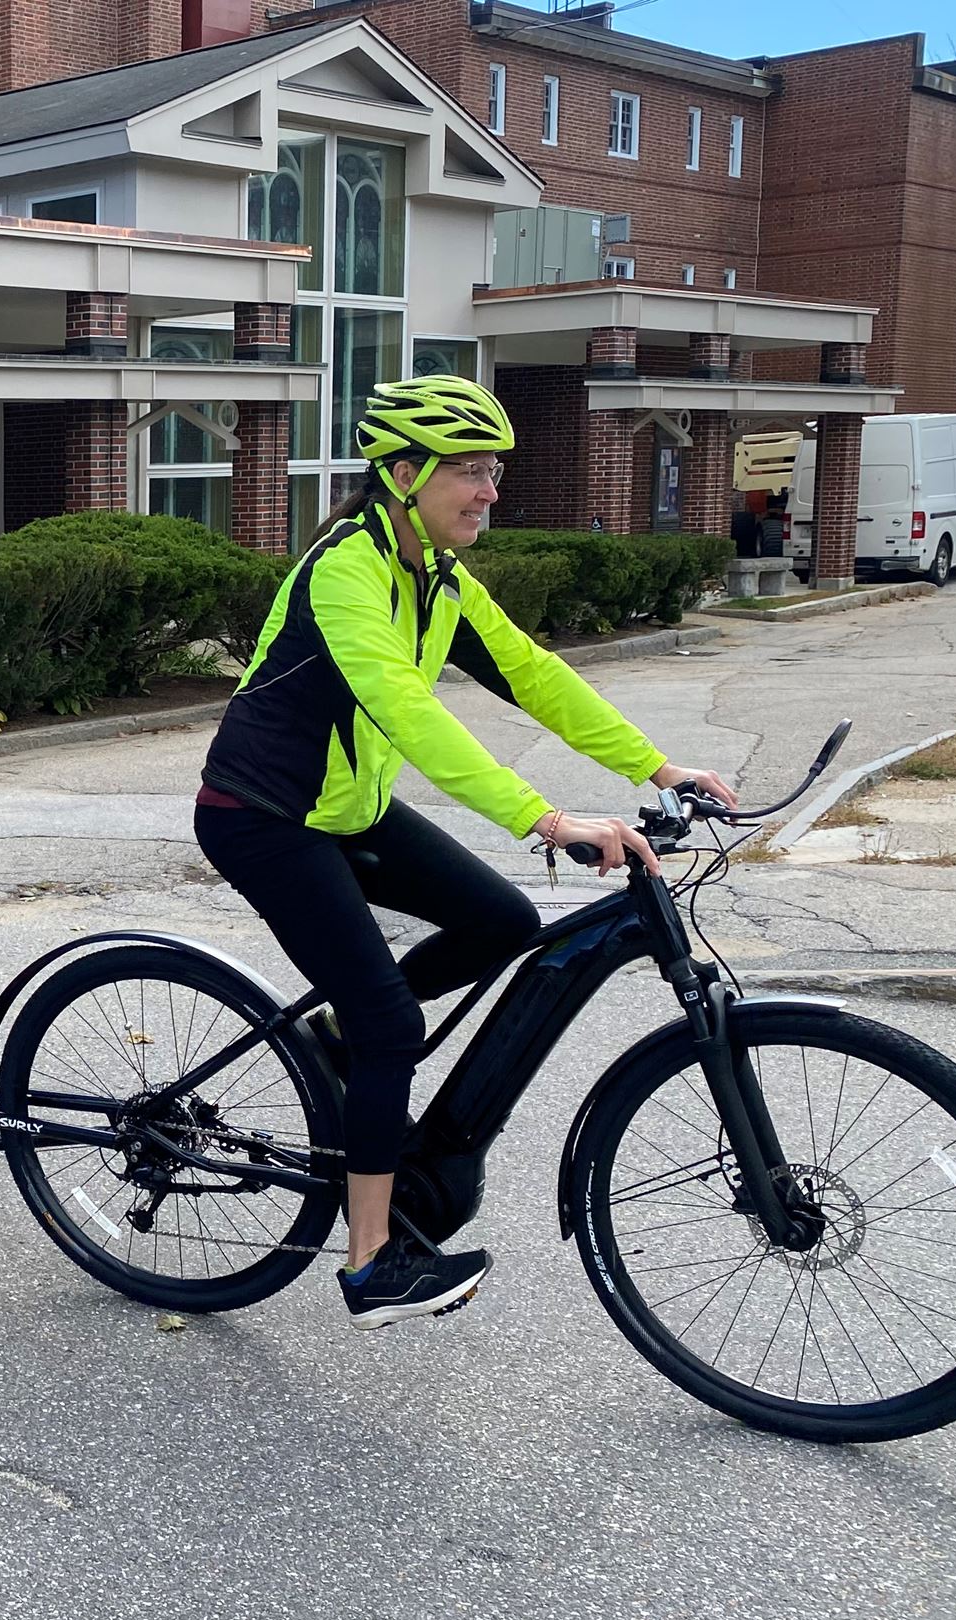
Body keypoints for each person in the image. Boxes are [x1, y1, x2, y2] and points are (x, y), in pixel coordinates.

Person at [193, 376, 738, 1329]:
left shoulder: (438, 576)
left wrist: (657, 766)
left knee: (503, 919)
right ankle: (371, 1262)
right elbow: (410, 713)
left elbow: (534, 674)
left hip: (347, 811)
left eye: (494, 473)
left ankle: (338, 1039)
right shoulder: (346, 572)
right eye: (471, 472)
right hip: (263, 816)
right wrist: (547, 820)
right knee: (393, 1026)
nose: (490, 491)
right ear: (405, 475)